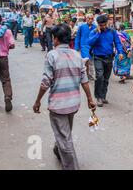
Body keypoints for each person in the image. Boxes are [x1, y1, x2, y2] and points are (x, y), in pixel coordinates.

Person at [32, 24, 96, 170]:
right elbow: (84, 79)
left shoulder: (51, 55)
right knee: (64, 132)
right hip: (73, 103)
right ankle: (57, 149)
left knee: (65, 138)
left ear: (55, 39)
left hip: (58, 105)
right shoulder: (77, 55)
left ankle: (71, 166)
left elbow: (45, 82)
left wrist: (37, 101)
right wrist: (90, 99)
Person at [88, 15, 124, 107]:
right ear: (98, 24)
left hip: (109, 57)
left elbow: (117, 43)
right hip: (98, 57)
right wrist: (98, 33)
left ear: (107, 23)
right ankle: (98, 97)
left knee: (106, 78)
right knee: (99, 76)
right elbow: (90, 42)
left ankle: (103, 96)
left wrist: (120, 52)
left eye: (104, 25)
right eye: (101, 25)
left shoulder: (112, 31)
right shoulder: (94, 32)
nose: (103, 27)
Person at [75, 14, 96, 81]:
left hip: (92, 47)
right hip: (84, 46)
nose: (90, 20)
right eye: (88, 18)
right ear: (86, 19)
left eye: (91, 19)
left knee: (91, 62)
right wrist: (76, 47)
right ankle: (85, 76)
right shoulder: (82, 27)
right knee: (86, 60)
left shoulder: (95, 27)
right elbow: (78, 37)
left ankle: (91, 75)